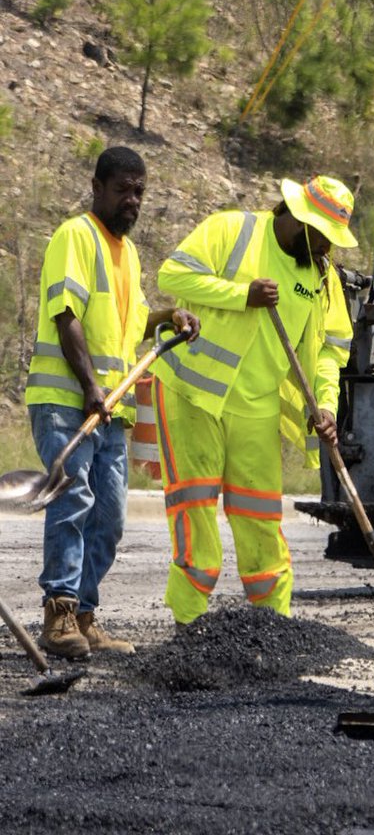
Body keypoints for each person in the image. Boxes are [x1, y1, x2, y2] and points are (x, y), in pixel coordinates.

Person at [151, 174, 355, 627]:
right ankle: (188, 628)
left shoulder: (323, 278)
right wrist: (242, 295)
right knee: (195, 517)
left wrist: (323, 404)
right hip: (192, 396)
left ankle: (273, 627)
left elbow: (329, 350)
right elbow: (173, 274)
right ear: (299, 220)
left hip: (256, 408)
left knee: (261, 521)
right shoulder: (232, 230)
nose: (328, 249)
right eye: (323, 236)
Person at [26, 146, 200, 660]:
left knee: (111, 517)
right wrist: (89, 386)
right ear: (97, 187)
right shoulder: (74, 236)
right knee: (72, 500)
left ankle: (83, 613)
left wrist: (168, 317)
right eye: (123, 189)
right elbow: (66, 316)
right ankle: (58, 614)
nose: (132, 200)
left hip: (111, 410)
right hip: (67, 401)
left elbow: (131, 323)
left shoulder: (127, 253)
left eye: (139, 191)